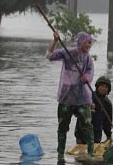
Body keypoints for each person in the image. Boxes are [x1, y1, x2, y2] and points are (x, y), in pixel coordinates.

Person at [45, 30, 95, 162]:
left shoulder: (88, 57)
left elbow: (90, 71)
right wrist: (55, 41)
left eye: (91, 43)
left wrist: (87, 77)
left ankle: (91, 152)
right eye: (88, 43)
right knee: (62, 126)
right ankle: (60, 154)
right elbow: (48, 56)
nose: (89, 46)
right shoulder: (68, 52)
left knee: (87, 123)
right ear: (82, 42)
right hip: (66, 96)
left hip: (82, 96)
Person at [74, 76, 113, 147]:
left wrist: (109, 135)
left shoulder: (107, 104)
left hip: (96, 135)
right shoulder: (88, 97)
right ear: (97, 86)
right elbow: (76, 111)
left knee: (93, 154)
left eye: (106, 87)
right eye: (102, 86)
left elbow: (107, 122)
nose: (104, 88)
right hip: (82, 134)